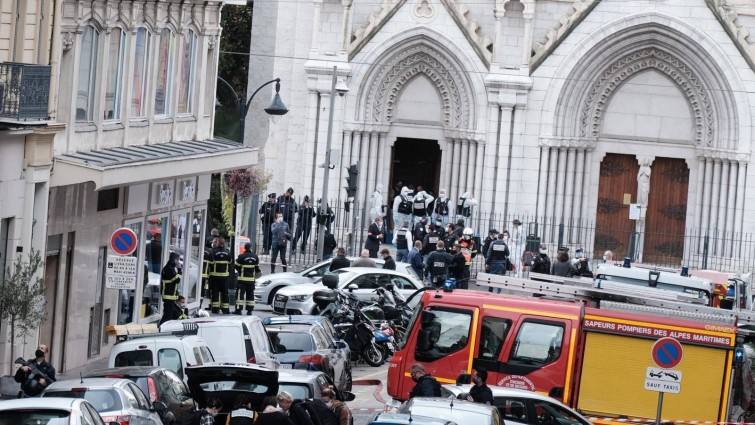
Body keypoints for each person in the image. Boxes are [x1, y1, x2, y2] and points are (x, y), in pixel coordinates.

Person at [234, 243, 259, 315]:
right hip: (251, 280)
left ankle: (238, 310)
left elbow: (236, 265)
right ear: (251, 248)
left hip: (242, 279)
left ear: (244, 248)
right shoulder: (255, 257)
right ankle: (249, 310)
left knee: (239, 295)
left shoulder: (241, 256)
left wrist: (240, 271)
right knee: (250, 295)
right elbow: (257, 269)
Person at [209, 238, 232, 314]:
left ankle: (215, 309)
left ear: (218, 243)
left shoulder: (213, 252)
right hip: (225, 277)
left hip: (214, 276)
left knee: (215, 292)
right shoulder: (228, 252)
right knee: (225, 293)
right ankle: (225, 310)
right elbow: (230, 262)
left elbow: (211, 263)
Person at [159, 252, 182, 325]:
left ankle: (163, 326)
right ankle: (161, 327)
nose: (178, 262)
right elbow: (177, 280)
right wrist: (179, 270)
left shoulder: (170, 267)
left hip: (171, 295)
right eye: (177, 260)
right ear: (174, 260)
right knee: (167, 315)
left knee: (170, 314)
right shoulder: (168, 268)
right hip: (168, 295)